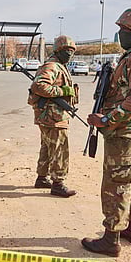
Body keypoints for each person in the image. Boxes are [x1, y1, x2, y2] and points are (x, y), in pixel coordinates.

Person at [81, 8, 131, 257]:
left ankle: (111, 238)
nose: (119, 34)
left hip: (124, 131)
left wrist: (106, 118)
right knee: (130, 180)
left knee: (116, 183)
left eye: (123, 29)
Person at [28, 35, 78, 198]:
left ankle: (42, 177)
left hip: (51, 115)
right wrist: (63, 91)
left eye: (72, 51)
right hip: (52, 116)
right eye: (66, 50)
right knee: (59, 148)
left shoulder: (59, 65)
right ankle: (58, 183)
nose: (69, 54)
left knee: (47, 147)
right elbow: (39, 86)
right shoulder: (52, 66)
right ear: (58, 50)